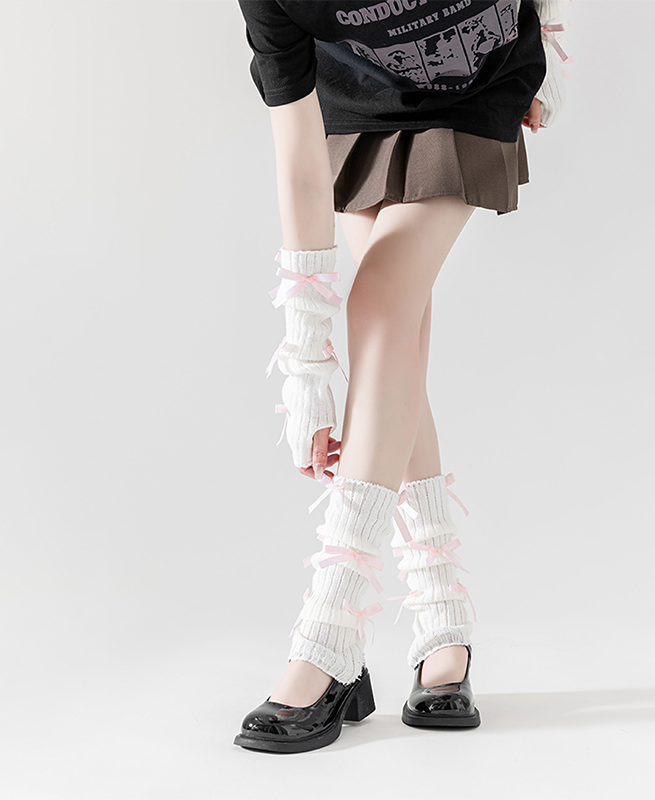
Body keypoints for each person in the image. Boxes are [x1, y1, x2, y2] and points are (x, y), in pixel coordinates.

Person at [232, 0, 571, 754]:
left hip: (476, 91)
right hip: (357, 106)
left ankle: (330, 633)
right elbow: (297, 155)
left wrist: (545, 28)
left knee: (383, 304)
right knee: (396, 329)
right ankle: (444, 624)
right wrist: (306, 362)